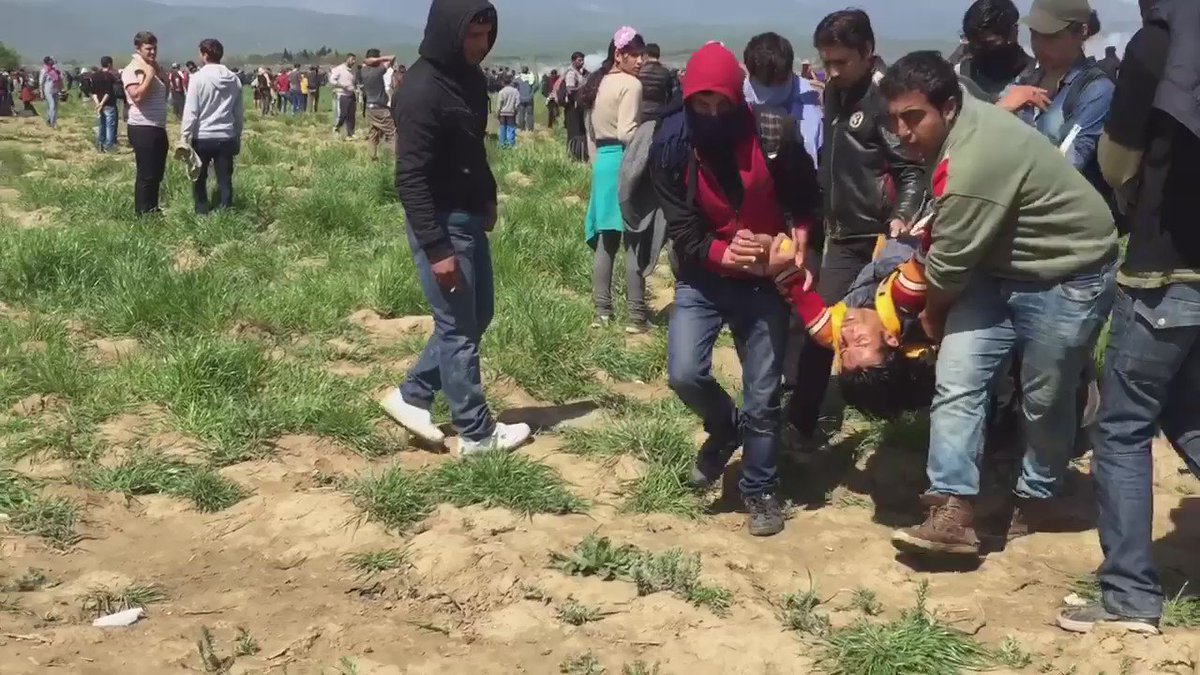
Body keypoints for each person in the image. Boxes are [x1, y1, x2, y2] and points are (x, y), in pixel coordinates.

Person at [878, 51, 1118, 557]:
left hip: (1067, 270)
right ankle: (951, 509)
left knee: (1045, 396)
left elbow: (947, 267)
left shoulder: (974, 160)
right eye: (894, 119)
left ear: (948, 108)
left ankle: (1038, 495)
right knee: (958, 380)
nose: (902, 132)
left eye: (913, 118)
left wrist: (931, 317)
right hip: (994, 266)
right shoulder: (957, 124)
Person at [1057, 0, 1200, 637]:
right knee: (1188, 412)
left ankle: (1129, 595)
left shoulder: (1155, 45)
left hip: (1163, 274)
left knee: (1121, 429)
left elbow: (1116, 160)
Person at [651, 41, 822, 537]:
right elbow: (682, 227)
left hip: (765, 281)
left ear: (735, 96)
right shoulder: (672, 144)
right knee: (685, 373)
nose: (710, 114)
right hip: (703, 276)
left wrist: (798, 241)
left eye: (719, 103)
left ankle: (761, 488)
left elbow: (806, 198)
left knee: (763, 394)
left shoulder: (773, 132)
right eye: (700, 104)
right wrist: (727, 254)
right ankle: (725, 428)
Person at [383, 0, 530, 456]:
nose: (481, 45)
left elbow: (472, 151)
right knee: (458, 329)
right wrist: (436, 247)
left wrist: (488, 196)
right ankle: (475, 432)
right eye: (472, 35)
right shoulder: (421, 90)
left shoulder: (469, 79)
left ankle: (412, 396)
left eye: (486, 34)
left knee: (476, 316)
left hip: (467, 217)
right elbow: (410, 177)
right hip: (442, 224)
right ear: (449, 31)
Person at [785, 9, 926, 454]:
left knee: (908, 331)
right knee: (825, 331)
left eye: (841, 61)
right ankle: (801, 424)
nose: (831, 71)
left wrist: (901, 216)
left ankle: (907, 410)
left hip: (885, 240)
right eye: (826, 61)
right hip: (845, 236)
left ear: (867, 52)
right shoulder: (833, 93)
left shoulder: (886, 98)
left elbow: (910, 169)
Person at [1010, 0, 1115, 195]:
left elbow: (1067, 166)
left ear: (1081, 32)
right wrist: (1002, 110)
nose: (1039, 45)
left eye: (1051, 37)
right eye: (1034, 34)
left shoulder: (1095, 91)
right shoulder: (1024, 81)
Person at [582, 28, 648, 332]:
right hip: (625, 160)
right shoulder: (631, 85)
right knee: (634, 238)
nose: (640, 61)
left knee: (606, 241)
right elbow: (627, 132)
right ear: (619, 55)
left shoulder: (600, 82)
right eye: (634, 55)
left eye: (641, 55)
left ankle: (602, 312)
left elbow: (592, 131)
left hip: (604, 163)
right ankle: (636, 315)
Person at [180, 38, 244, 215]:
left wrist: (184, 136)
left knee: (199, 177)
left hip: (203, 136)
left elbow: (191, 111)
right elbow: (238, 112)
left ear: (205, 55)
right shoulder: (233, 79)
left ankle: (201, 211)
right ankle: (225, 211)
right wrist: (237, 133)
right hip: (226, 135)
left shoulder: (197, 78)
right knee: (225, 178)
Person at [742, 31, 823, 161]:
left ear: (790, 72)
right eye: (763, 83)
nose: (769, 91)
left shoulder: (807, 112)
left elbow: (810, 160)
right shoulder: (743, 92)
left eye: (778, 83)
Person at [122, 31, 171, 216]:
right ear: (138, 48)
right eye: (148, 48)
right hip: (142, 127)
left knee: (157, 172)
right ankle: (143, 214)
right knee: (146, 173)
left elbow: (165, 90)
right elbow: (137, 96)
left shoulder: (152, 67)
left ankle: (153, 209)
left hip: (157, 126)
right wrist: (149, 76)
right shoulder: (132, 69)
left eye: (155, 48)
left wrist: (157, 71)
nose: (153, 52)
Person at [955, 0, 1037, 102]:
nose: (977, 51)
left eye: (987, 44)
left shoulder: (1039, 78)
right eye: (972, 43)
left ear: (1013, 33)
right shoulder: (959, 79)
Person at [360, 50, 398, 160]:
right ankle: (395, 159)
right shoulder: (379, 70)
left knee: (373, 133)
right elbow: (392, 57)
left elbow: (365, 62)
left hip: (369, 107)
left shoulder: (363, 71)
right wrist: (380, 59)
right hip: (380, 107)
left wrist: (371, 60)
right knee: (392, 132)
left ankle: (372, 158)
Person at [638, 42, 677, 121]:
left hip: (641, 112)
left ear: (646, 55)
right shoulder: (665, 72)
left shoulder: (639, 71)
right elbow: (669, 94)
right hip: (659, 111)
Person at [563, 51, 589, 160]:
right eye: (579, 60)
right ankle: (573, 155)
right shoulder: (571, 73)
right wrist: (582, 87)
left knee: (579, 131)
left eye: (583, 60)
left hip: (578, 106)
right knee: (574, 132)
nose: (582, 62)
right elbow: (570, 89)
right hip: (572, 107)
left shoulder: (580, 73)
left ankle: (579, 154)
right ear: (573, 61)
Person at [92, 56, 120, 152]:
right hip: (109, 104)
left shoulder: (95, 75)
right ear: (109, 64)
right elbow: (108, 92)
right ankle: (108, 146)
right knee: (109, 126)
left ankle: (100, 144)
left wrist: (98, 104)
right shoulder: (109, 76)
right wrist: (102, 103)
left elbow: (93, 92)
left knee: (101, 124)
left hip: (99, 103)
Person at [330, 54, 358, 138]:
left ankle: (351, 133)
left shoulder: (353, 71)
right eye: (352, 59)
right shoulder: (339, 69)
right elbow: (332, 80)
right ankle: (336, 128)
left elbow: (353, 82)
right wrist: (342, 85)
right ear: (347, 59)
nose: (354, 61)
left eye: (354, 60)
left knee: (351, 115)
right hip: (342, 94)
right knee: (343, 114)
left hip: (351, 94)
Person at [496, 73, 519, 148]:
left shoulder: (501, 92)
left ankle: (502, 143)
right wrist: (515, 109)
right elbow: (517, 102)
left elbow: (499, 103)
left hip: (502, 112)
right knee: (511, 128)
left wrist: (498, 112)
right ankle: (510, 143)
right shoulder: (515, 91)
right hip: (511, 112)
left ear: (503, 82)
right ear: (511, 81)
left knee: (502, 128)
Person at [40, 56, 62, 128]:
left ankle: (50, 120)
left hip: (55, 90)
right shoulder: (44, 71)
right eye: (51, 60)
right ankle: (53, 123)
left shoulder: (54, 70)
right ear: (48, 62)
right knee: (52, 106)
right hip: (48, 91)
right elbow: (41, 82)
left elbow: (59, 80)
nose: (52, 61)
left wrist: (60, 89)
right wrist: (41, 93)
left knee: (55, 107)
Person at [515, 65, 535, 131]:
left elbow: (513, 83)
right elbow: (537, 86)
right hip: (529, 98)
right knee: (530, 114)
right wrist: (532, 92)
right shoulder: (531, 78)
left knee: (521, 114)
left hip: (521, 98)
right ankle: (530, 129)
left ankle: (522, 128)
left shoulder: (518, 79)